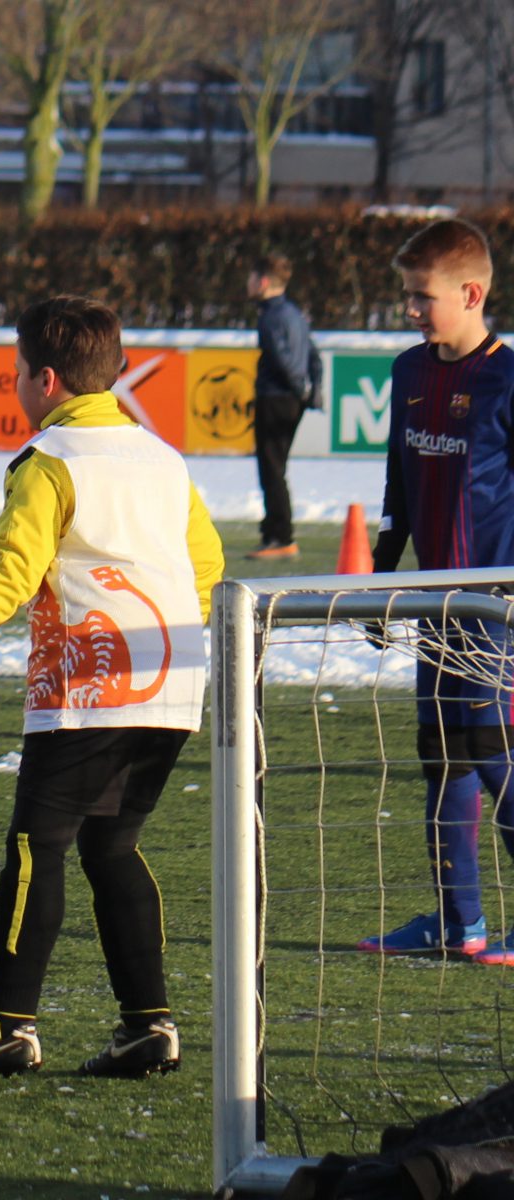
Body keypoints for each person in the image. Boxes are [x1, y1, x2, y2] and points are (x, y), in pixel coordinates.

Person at [0, 295, 223, 1084]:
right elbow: (204, 563)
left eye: (15, 372)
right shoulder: (162, 458)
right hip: (173, 680)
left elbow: (14, 570)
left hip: (91, 681)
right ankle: (148, 1025)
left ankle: (9, 1026)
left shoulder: (50, 459)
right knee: (114, 846)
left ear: (44, 380)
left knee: (37, 847)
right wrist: (166, 638)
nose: (15, 385)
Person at [358, 218, 514, 964]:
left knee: (494, 755)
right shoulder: (409, 372)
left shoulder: (506, 380)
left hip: (496, 612)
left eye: (423, 297)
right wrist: (383, 576)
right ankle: (461, 924)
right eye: (408, 297)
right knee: (444, 757)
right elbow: (398, 482)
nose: (412, 311)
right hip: (431, 607)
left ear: (471, 292)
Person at [247, 252, 320, 560]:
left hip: (277, 398)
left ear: (263, 282)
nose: (247, 284)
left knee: (272, 470)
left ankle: (280, 537)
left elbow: (283, 360)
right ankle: (276, 533)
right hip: (290, 398)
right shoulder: (293, 313)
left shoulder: (271, 317)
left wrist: (297, 386)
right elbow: (314, 356)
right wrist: (311, 390)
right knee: (276, 468)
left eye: (251, 278)